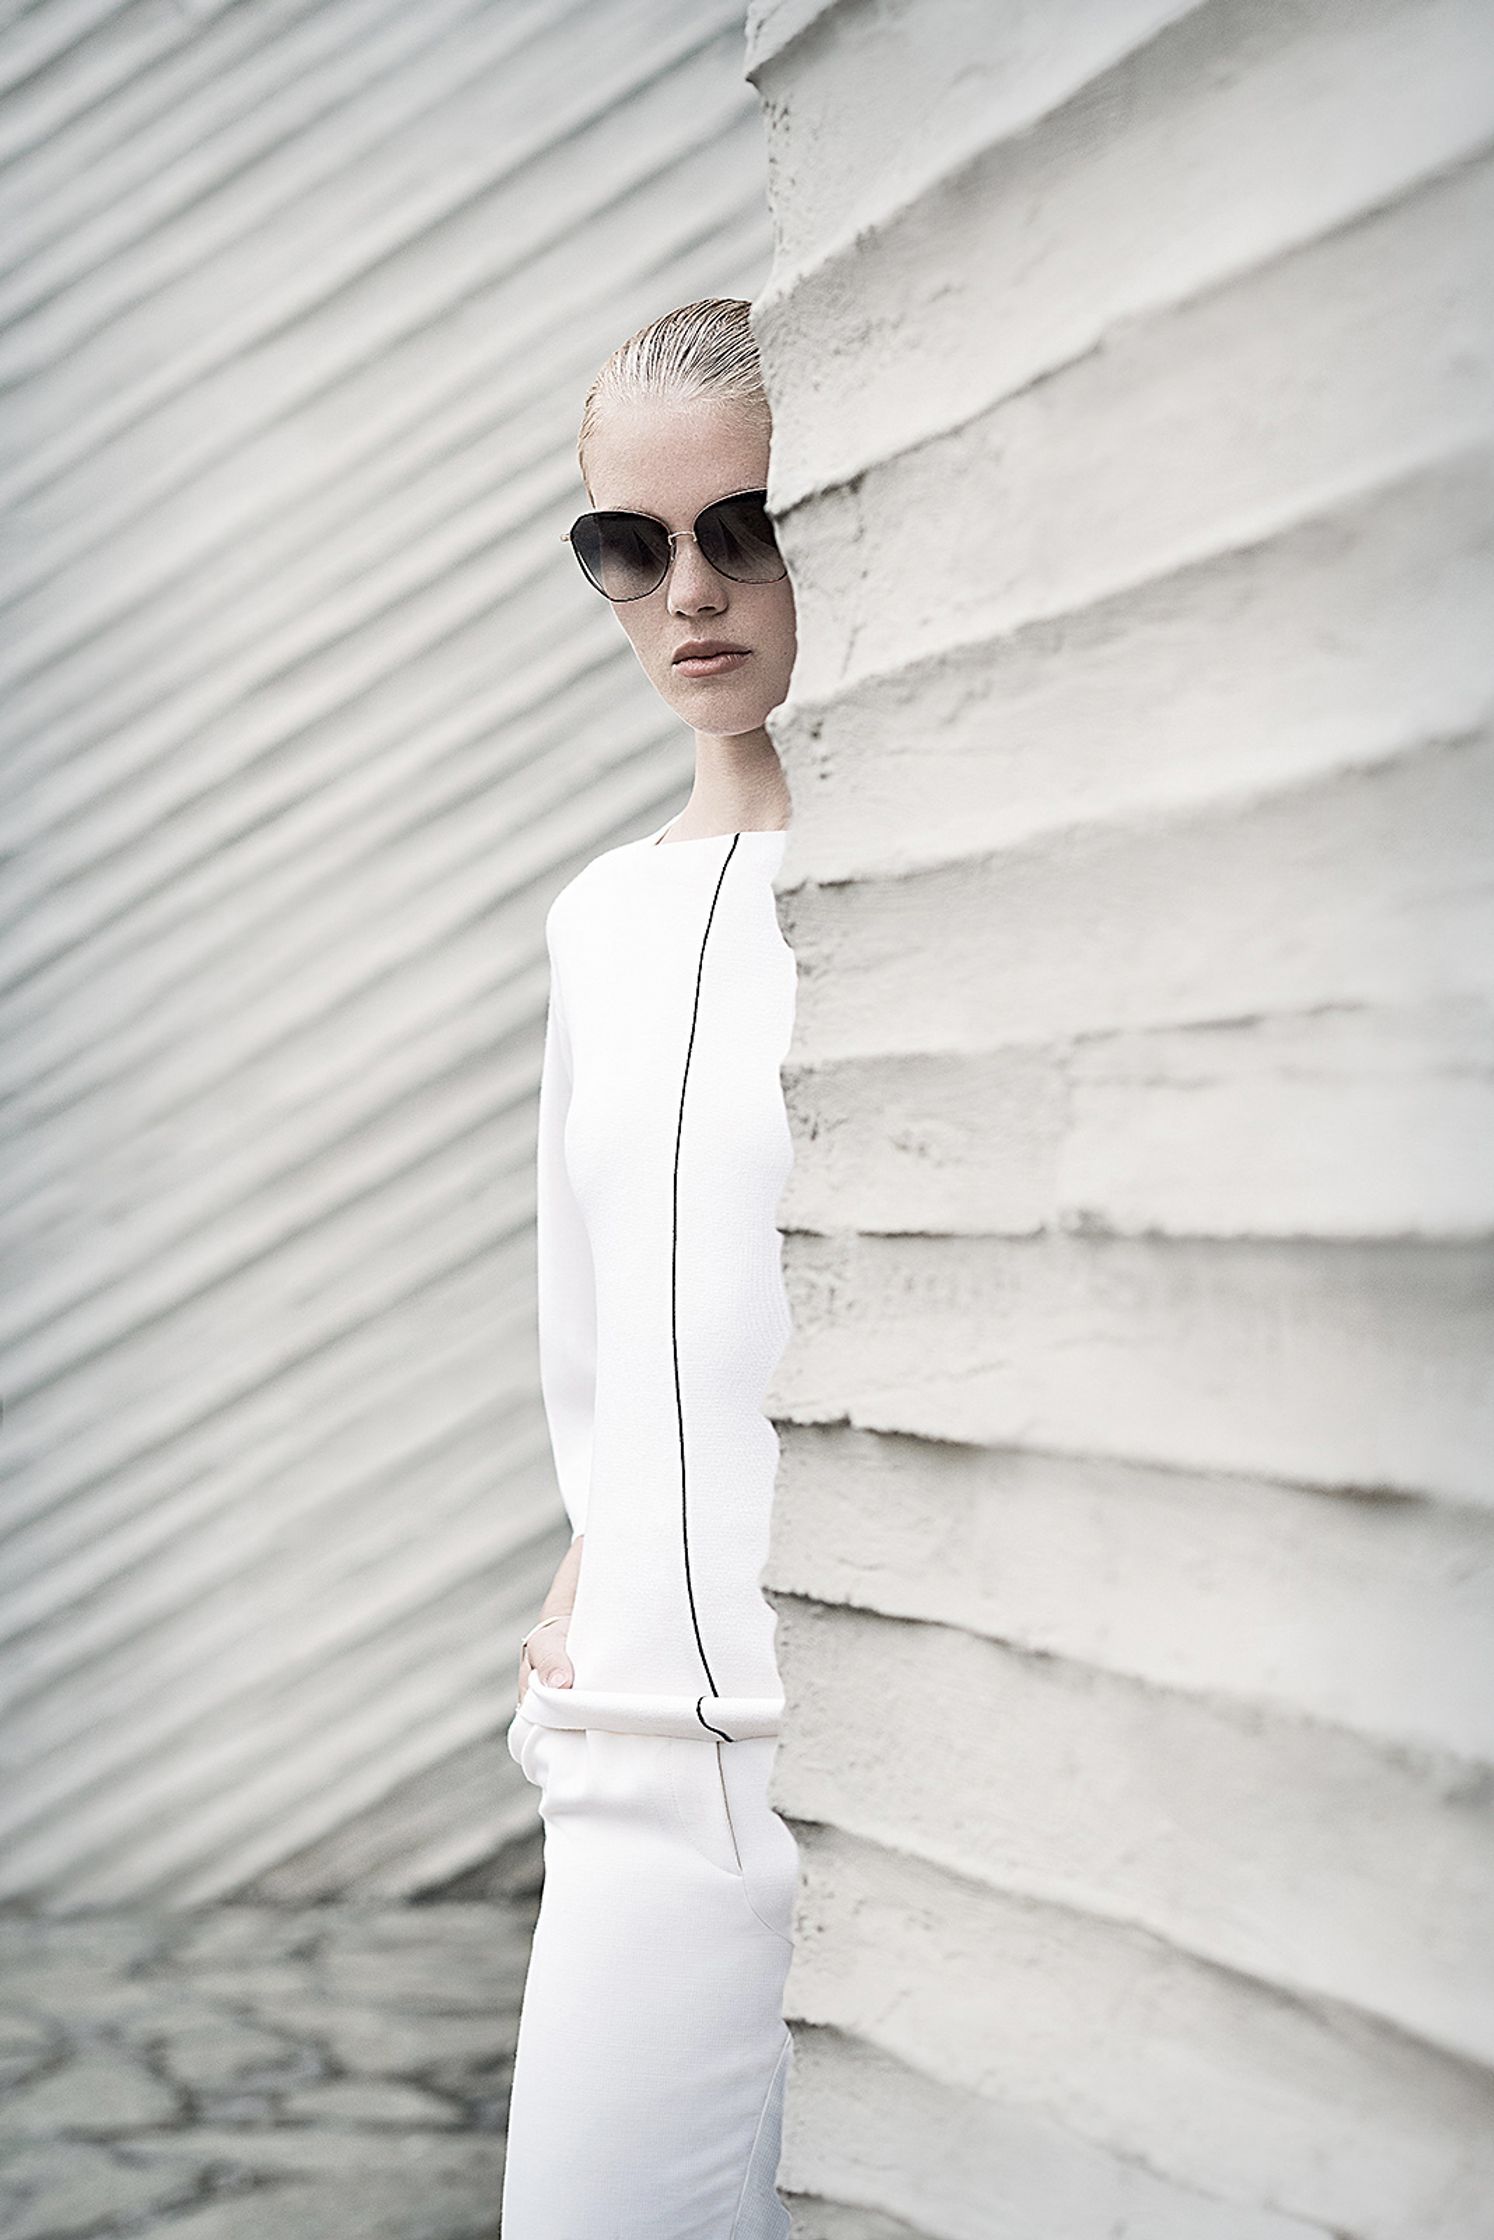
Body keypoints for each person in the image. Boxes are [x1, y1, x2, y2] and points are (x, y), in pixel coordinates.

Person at [500, 298, 800, 2238]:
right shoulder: (598, 921)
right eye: (632, 544)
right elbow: (589, 1327)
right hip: (637, 1762)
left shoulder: (935, 881)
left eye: (743, 528)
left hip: (877, 1735)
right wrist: (589, 1558)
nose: (689, 591)